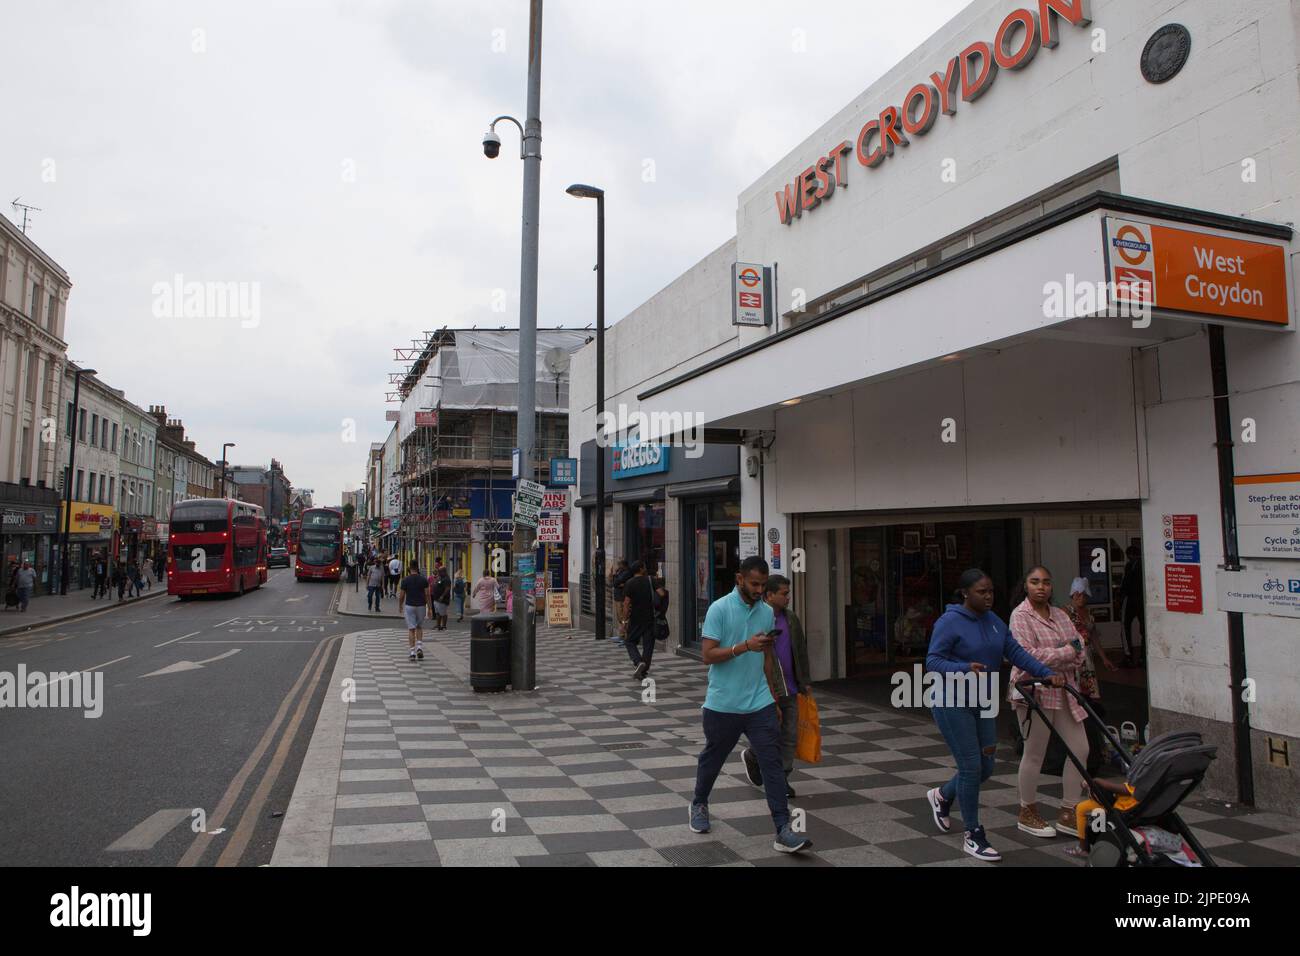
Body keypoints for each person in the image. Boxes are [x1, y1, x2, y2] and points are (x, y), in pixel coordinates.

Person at [924, 567, 1060, 862]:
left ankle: (943, 796)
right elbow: (933, 661)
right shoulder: (949, 622)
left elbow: (1017, 653)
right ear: (965, 593)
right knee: (971, 768)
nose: (988, 597)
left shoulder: (995, 621)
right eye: (981, 592)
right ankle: (973, 834)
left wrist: (1046, 673)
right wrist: (963, 668)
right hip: (952, 702)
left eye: (991, 592)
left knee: (985, 768)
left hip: (983, 702)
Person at [688, 555, 812, 855]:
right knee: (713, 759)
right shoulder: (719, 609)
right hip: (723, 703)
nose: (759, 589)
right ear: (739, 578)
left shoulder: (766, 612)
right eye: (754, 583)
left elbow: (767, 657)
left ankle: (783, 829)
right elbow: (707, 655)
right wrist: (745, 646)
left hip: (760, 703)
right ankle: (699, 803)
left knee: (771, 763)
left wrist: (773, 695)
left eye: (762, 584)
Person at [1009, 566, 1090, 840]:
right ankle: (1027, 811)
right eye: (1035, 582)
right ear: (1026, 586)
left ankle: (1069, 810)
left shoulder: (1060, 615)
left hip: (1065, 688)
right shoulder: (1020, 616)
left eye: (1045, 582)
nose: (1041, 587)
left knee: (1081, 749)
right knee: (1035, 753)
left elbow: (1081, 651)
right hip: (1034, 691)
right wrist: (1066, 651)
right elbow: (1026, 655)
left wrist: (1067, 653)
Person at [741, 574, 810, 799]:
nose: (788, 598)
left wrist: (804, 682)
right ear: (769, 595)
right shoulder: (756, 618)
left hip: (790, 687)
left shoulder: (791, 618)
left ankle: (781, 779)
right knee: (769, 734)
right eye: (784, 594)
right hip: (765, 688)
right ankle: (753, 755)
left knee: (790, 735)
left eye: (788, 593)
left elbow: (800, 651)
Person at [1064, 577, 1118, 702]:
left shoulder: (1089, 613)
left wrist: (1104, 658)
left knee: (1087, 689)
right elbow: (1061, 635)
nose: (1080, 598)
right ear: (1072, 595)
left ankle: (1087, 710)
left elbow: (1093, 636)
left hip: (1086, 655)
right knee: (1074, 686)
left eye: (1083, 595)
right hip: (1072, 653)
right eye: (1077, 595)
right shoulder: (1065, 611)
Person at [620, 561, 658, 680]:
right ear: (641, 569)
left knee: (629, 641)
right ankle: (643, 669)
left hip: (636, 618)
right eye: (644, 567)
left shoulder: (629, 583)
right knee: (648, 645)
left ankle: (638, 661)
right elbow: (662, 594)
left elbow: (626, 604)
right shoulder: (650, 580)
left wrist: (624, 622)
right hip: (651, 617)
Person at [1118, 545, 1145, 667]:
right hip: (1141, 600)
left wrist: (1120, 597)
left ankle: (1129, 656)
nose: (1131, 559)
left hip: (1132, 600)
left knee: (1125, 626)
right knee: (1143, 629)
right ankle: (1142, 657)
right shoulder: (1141, 565)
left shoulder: (1131, 566)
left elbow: (1125, 583)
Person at [399, 562, 430, 662]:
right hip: (421, 605)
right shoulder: (423, 580)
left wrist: (400, 605)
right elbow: (427, 594)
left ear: (410, 568)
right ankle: (419, 647)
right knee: (419, 627)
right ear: (417, 568)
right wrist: (430, 608)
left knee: (411, 629)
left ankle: (412, 653)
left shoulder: (405, 580)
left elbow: (402, 595)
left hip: (409, 606)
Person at [610, 559, 631, 639]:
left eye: (619, 564)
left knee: (623, 616)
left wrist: (615, 576)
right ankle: (622, 634)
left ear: (623, 565)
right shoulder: (620, 572)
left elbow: (615, 583)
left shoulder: (626, 573)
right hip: (618, 596)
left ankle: (625, 635)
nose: (618, 566)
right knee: (619, 616)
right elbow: (614, 583)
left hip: (622, 597)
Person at [431, 561, 451, 631]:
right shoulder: (440, 577)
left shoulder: (446, 579)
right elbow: (437, 584)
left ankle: (444, 626)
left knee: (443, 613)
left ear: (443, 572)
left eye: (439, 571)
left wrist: (442, 596)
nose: (438, 572)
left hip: (442, 599)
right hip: (436, 598)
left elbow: (447, 588)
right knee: (437, 613)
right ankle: (438, 625)